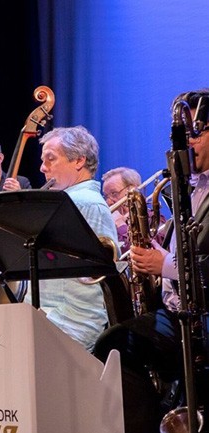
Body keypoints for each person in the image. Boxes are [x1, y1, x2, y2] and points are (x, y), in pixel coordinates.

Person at [95, 89, 209, 433]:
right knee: (113, 343)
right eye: (184, 133)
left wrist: (165, 265)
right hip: (175, 311)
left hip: (200, 320)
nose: (187, 142)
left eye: (196, 132)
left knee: (116, 345)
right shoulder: (190, 187)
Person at [28, 126, 119, 351]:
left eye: (51, 159)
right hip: (52, 314)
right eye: (42, 160)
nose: (42, 167)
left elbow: (89, 286)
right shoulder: (68, 200)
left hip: (69, 320)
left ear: (79, 161)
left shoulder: (83, 202)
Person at [102, 166, 167, 254]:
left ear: (132, 190)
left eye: (114, 193)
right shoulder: (108, 224)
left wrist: (121, 226)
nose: (108, 202)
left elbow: (147, 254)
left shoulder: (153, 219)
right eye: (106, 196)